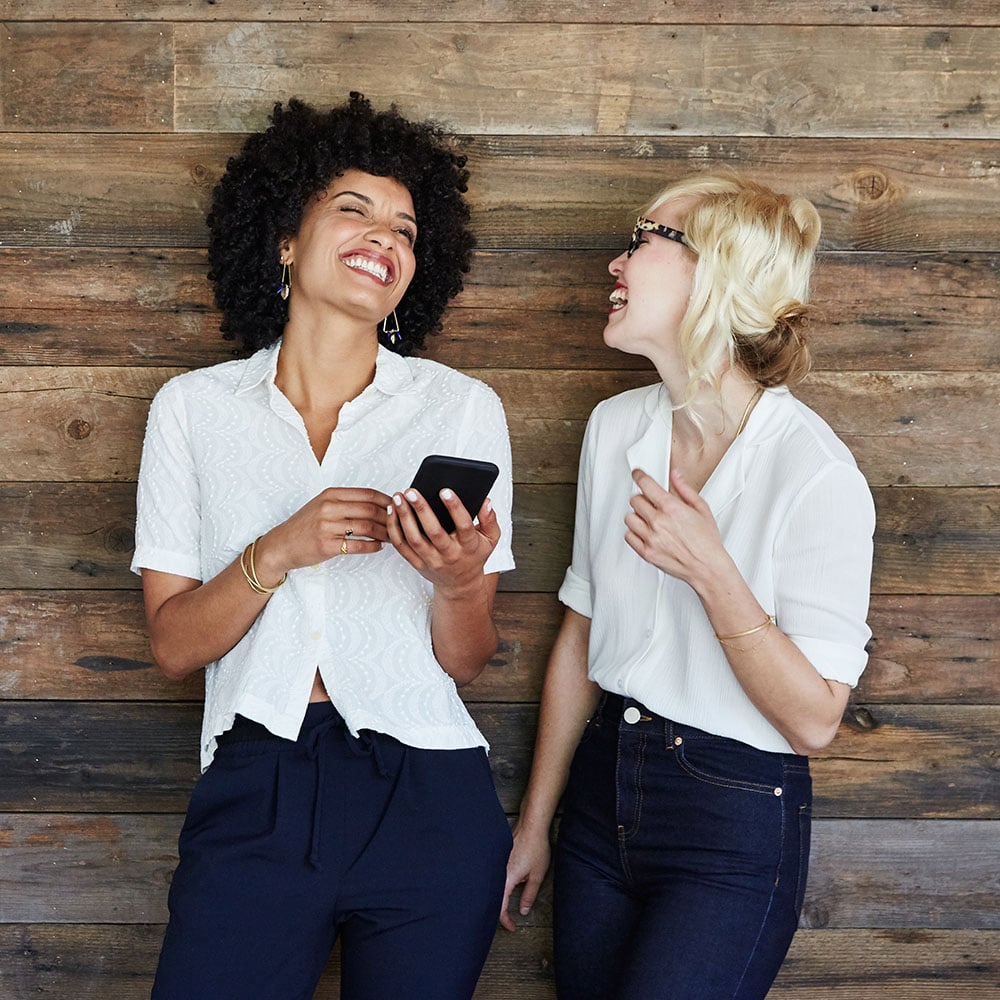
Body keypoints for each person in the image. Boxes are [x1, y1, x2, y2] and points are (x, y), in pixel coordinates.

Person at [132, 94, 515, 1000]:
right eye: (354, 207)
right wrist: (280, 549)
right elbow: (174, 645)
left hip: (429, 794)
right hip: (257, 782)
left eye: (407, 229)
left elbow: (466, 659)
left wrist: (459, 582)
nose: (386, 235)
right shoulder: (191, 411)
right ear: (284, 241)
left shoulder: (461, 408)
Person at [501, 174, 875, 999]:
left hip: (731, 820)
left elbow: (814, 718)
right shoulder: (616, 429)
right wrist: (536, 827)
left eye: (643, 238)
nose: (616, 259)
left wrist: (712, 572)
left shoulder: (815, 474)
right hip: (601, 800)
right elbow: (581, 640)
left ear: (718, 273)